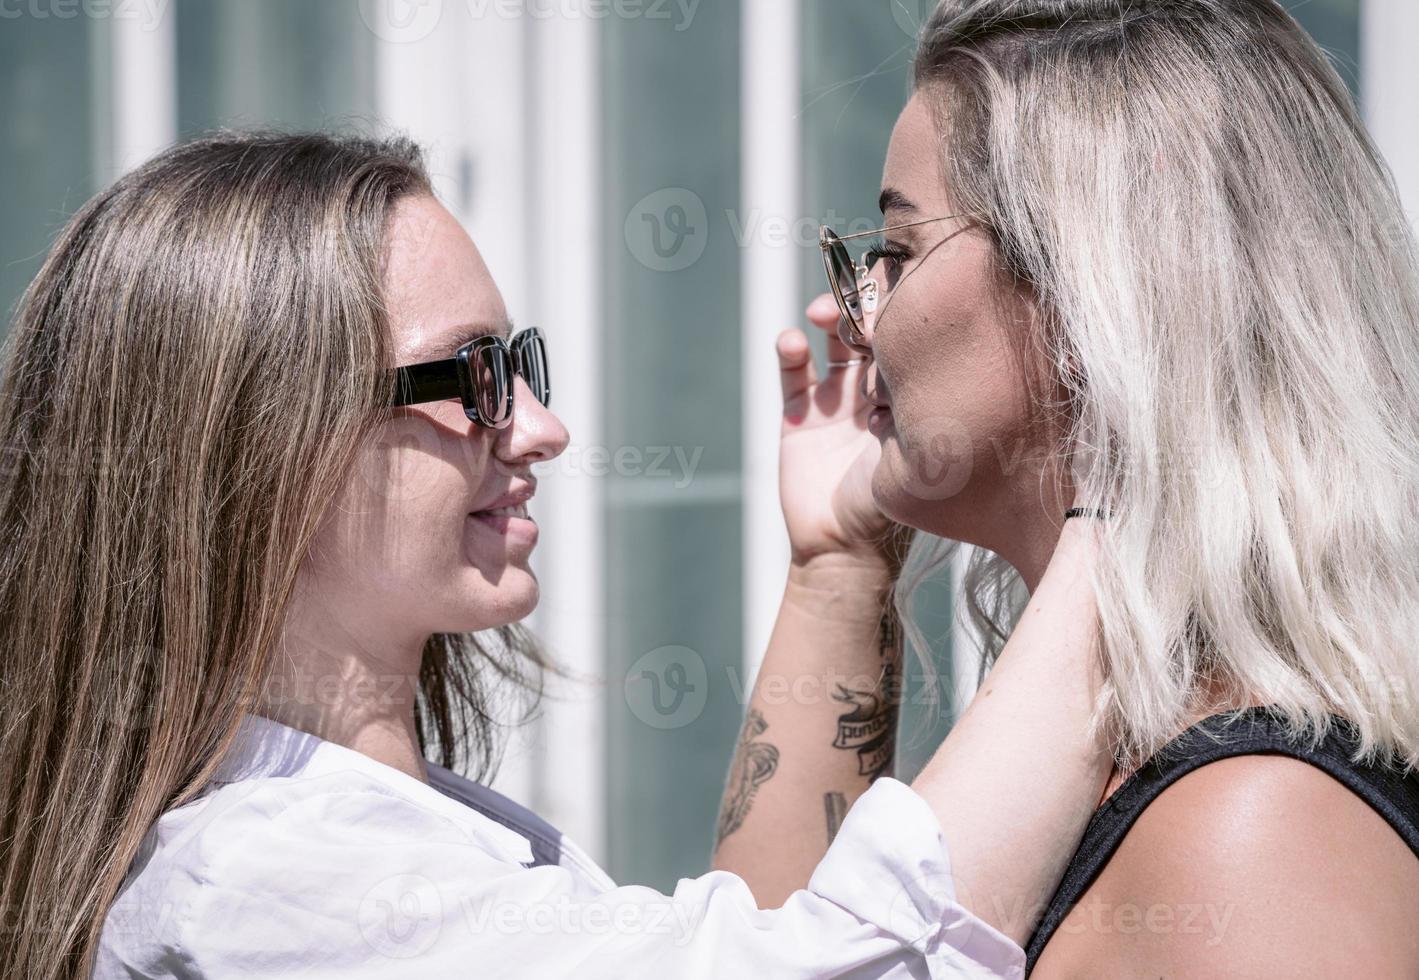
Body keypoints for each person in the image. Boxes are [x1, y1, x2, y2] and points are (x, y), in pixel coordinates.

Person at [0, 129, 1112, 980]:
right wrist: (1137, 496)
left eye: (521, 363)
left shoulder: (333, 837)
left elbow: (753, 943)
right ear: (267, 440)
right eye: (472, 376)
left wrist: (841, 559)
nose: (539, 425)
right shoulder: (269, 882)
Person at [819, 0, 1419, 975]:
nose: (852, 316)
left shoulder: (1252, 832)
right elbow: (785, 947)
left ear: (1083, 289)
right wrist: (832, 563)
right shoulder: (1130, 766)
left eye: (897, 251)